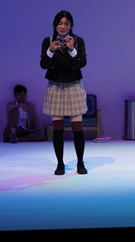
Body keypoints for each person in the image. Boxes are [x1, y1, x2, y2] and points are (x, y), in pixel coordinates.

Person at [40, 10, 88, 175]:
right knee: (58, 127)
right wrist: (50, 50)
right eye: (60, 23)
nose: (62, 27)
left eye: (66, 24)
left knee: (77, 126)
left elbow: (82, 62)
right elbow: (43, 64)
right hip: (55, 85)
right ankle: (60, 164)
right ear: (55, 25)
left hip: (73, 84)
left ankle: (80, 163)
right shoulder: (48, 41)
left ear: (71, 25)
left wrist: (72, 49)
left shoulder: (77, 41)